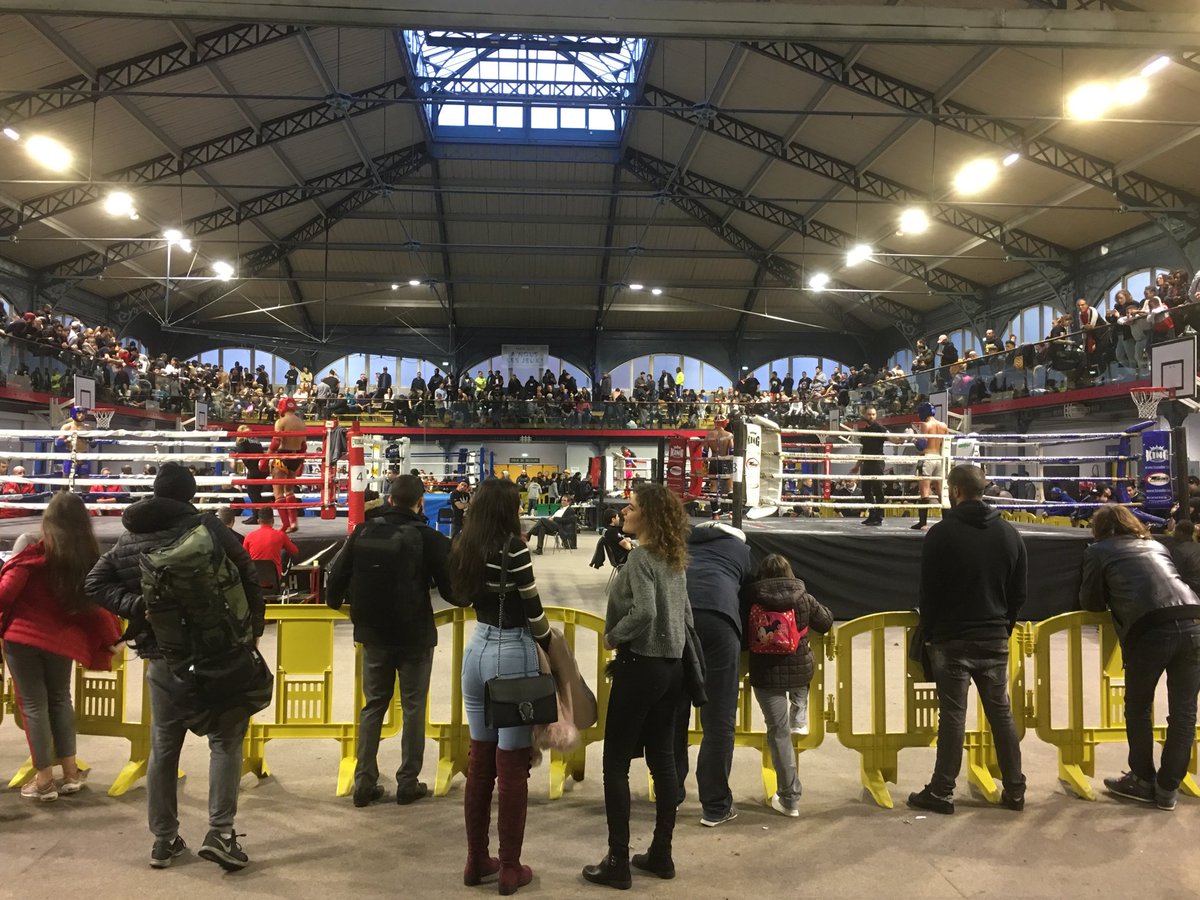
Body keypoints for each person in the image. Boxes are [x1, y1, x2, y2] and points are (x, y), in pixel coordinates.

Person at [85, 463, 265, 870]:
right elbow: (247, 571)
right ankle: (221, 833)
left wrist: (139, 608)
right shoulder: (206, 527)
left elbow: (94, 584)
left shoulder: (132, 536)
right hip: (220, 653)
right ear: (190, 493)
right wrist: (253, 628)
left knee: (165, 746)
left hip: (164, 658)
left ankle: (164, 840)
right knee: (225, 740)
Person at [583, 484, 692, 889]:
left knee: (615, 763)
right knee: (662, 759)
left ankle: (617, 860)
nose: (624, 511)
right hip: (672, 670)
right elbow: (684, 615)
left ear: (645, 516)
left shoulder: (643, 559)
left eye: (630, 507)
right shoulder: (674, 558)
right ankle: (661, 853)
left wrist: (613, 636)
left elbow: (643, 611)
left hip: (640, 666)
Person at [445, 479, 551, 895]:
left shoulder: (463, 545)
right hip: (512, 653)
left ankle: (476, 860)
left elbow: (457, 595)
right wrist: (550, 645)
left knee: (480, 759)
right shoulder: (514, 548)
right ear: (508, 509)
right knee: (512, 767)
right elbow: (534, 610)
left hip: (476, 650)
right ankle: (509, 867)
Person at [326, 475, 453, 807]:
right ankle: (407, 782)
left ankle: (364, 781)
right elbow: (454, 591)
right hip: (414, 635)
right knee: (413, 708)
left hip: (373, 635)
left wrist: (345, 605)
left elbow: (335, 579)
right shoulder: (428, 537)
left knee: (373, 706)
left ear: (389, 499)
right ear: (420, 502)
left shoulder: (363, 532)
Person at [908, 464, 1027, 815]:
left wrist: (929, 633)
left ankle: (942, 791)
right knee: (1001, 714)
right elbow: (1019, 593)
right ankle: (1016, 788)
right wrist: (1004, 625)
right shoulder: (1009, 534)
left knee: (953, 715)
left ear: (957, 491)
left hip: (952, 637)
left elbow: (929, 591)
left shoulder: (941, 534)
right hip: (993, 636)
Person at [0, 492, 122, 802]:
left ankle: (43, 780)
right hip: (61, 642)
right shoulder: (86, 560)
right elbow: (96, 608)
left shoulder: (31, 552)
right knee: (59, 699)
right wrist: (111, 640)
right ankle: (70, 773)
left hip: (22, 640)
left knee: (33, 706)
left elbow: (4, 594)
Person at [1080, 505, 1200, 811]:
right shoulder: (1157, 545)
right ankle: (1168, 788)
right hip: (1193, 619)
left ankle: (1142, 779)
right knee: (1184, 713)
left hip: (1149, 629)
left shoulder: (1099, 551)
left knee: (1138, 707)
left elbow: (1091, 603)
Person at [740, 554, 833, 816]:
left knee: (778, 733)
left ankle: (790, 799)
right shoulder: (802, 595)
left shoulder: (751, 597)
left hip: (765, 673)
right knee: (801, 682)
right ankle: (800, 715)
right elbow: (825, 622)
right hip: (799, 668)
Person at [674, 520, 751, 827]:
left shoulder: (680, 544)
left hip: (679, 620)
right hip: (720, 620)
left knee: (674, 713)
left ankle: (672, 794)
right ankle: (715, 806)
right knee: (718, 720)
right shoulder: (740, 550)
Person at [852, 406, 903, 526]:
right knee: (865, 489)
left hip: (877, 462)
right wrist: (857, 465)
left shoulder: (879, 428)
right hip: (867, 462)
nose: (871, 416)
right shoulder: (864, 431)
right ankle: (872, 514)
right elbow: (864, 450)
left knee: (878, 489)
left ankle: (879, 516)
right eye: (869, 414)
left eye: (873, 414)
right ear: (864, 415)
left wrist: (901, 440)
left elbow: (891, 438)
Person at [270, 398, 307, 534]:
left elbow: (276, 441)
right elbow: (303, 446)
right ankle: (293, 523)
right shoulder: (301, 423)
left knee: (278, 492)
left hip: (282, 456)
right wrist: (301, 462)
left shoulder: (281, 421)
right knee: (289, 491)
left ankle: (285, 525)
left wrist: (267, 455)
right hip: (296, 457)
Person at [911, 402, 949, 531]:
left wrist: (913, 438)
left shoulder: (925, 425)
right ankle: (948, 521)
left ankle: (923, 523)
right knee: (941, 491)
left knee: (925, 491)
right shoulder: (943, 426)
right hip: (940, 458)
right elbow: (946, 444)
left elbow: (922, 445)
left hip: (927, 457)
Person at [242, 507, 298, 577]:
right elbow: (295, 551)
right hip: (275, 578)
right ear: (273, 521)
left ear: (258, 521)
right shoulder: (280, 535)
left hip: (256, 577)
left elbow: (244, 556)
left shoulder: (249, 536)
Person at [233, 424, 266, 521]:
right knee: (257, 494)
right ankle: (259, 517)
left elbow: (242, 452)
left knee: (252, 493)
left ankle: (256, 517)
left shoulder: (242, 440)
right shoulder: (256, 440)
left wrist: (237, 452)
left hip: (253, 469)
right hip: (261, 469)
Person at [1160, 519, 1200, 597]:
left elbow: (1175, 573)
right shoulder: (1198, 546)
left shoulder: (1180, 551)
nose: (1174, 532)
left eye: (1176, 530)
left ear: (1180, 532)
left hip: (1191, 588)